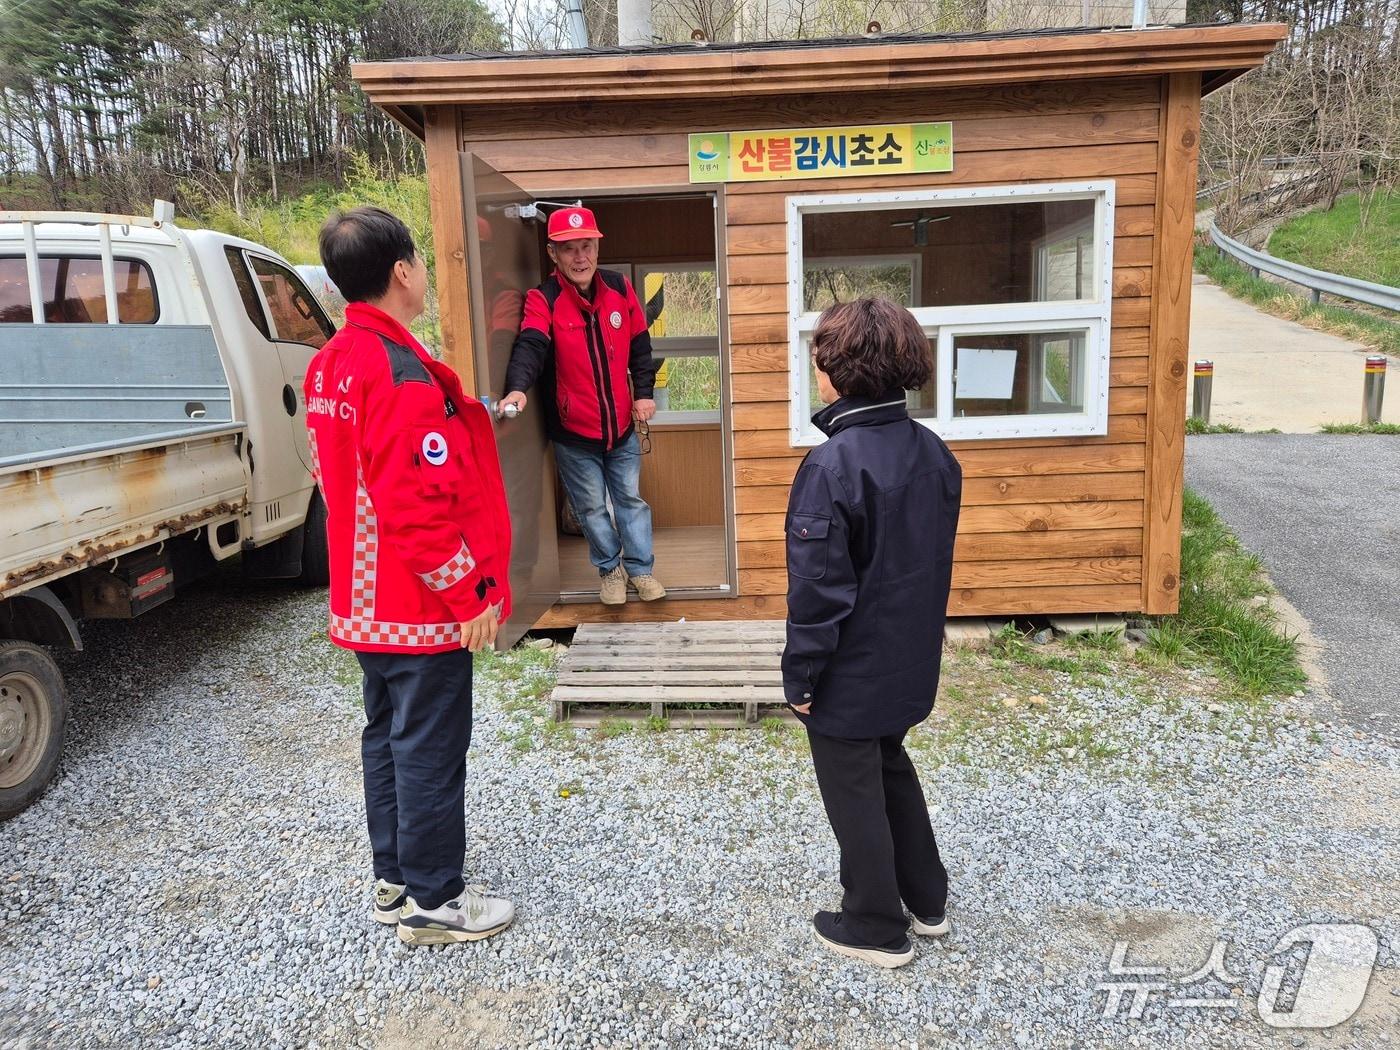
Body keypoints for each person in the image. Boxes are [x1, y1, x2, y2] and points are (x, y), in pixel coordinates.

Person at [306, 206, 515, 946]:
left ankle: (395, 881)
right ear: (401, 272)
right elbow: (417, 509)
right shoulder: (398, 375)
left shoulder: (330, 361)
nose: (425, 271)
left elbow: (340, 482)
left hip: (364, 601)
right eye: (421, 260)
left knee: (388, 740)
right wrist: (473, 594)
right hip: (418, 603)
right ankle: (437, 900)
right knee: (429, 748)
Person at [782, 297, 963, 969]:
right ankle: (927, 898)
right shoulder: (935, 453)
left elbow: (819, 593)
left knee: (854, 785)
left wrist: (801, 677)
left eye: (820, 358)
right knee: (889, 763)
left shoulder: (832, 466)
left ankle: (875, 922)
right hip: (909, 661)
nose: (816, 370)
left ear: (841, 369)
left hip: (850, 674)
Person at [499, 206, 666, 606]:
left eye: (586, 246)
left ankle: (641, 571)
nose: (580, 257)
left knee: (630, 501)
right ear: (553, 254)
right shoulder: (544, 298)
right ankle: (610, 570)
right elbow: (531, 345)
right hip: (574, 435)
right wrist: (518, 388)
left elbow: (640, 347)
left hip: (622, 429)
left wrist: (644, 393)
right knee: (591, 509)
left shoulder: (621, 288)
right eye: (569, 249)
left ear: (596, 248)